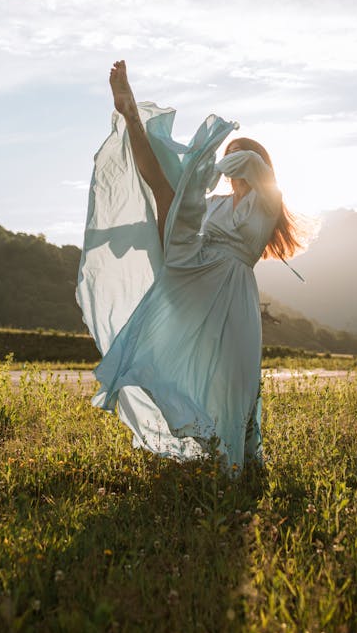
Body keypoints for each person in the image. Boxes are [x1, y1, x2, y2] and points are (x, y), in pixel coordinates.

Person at [76, 60, 303, 471]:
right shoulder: (215, 204)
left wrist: (209, 160)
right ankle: (130, 116)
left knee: (233, 380)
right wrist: (193, 173)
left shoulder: (267, 198)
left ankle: (238, 462)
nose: (231, 164)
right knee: (166, 192)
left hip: (230, 287)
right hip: (196, 268)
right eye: (229, 156)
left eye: (239, 157)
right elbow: (182, 194)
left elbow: (249, 165)